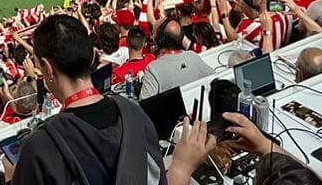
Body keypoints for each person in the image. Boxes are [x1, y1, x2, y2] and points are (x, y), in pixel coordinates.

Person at [12, 12, 208, 185]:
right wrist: (181, 168)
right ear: (92, 56)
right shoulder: (134, 112)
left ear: (47, 67)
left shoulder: (40, 147)